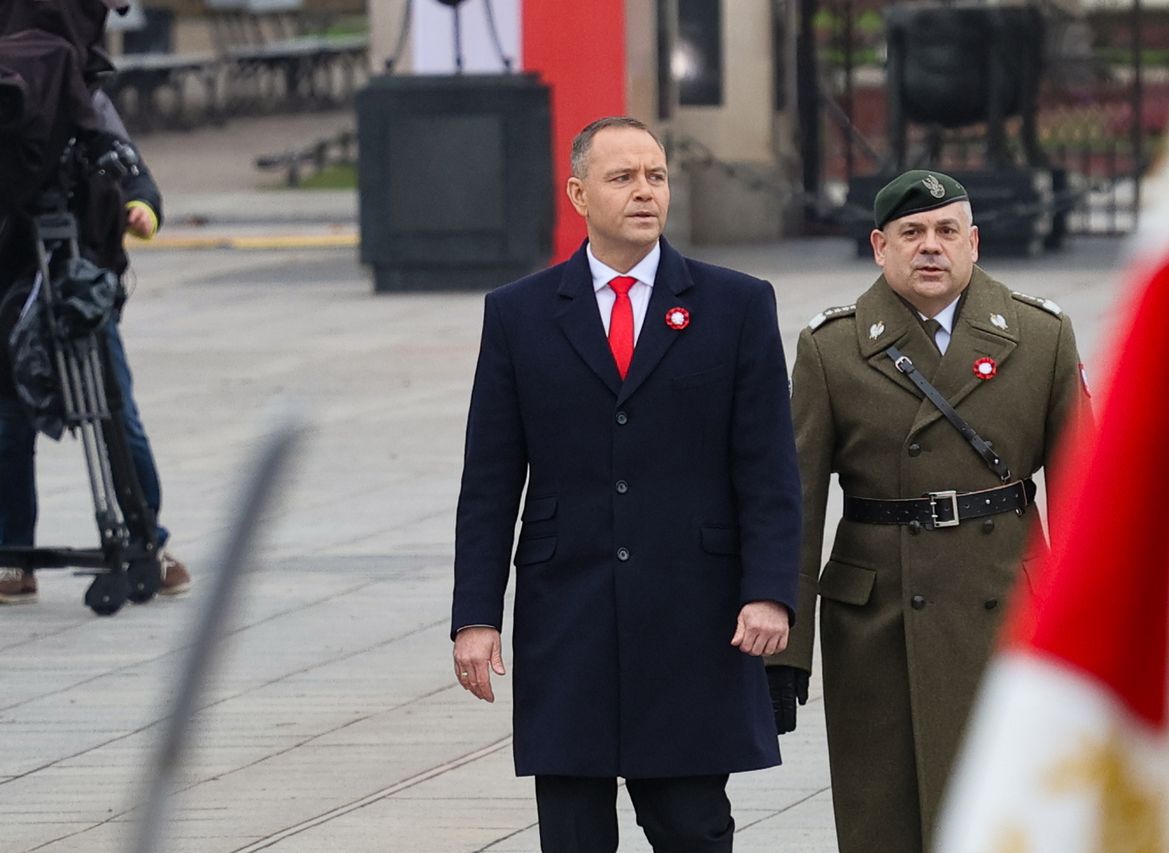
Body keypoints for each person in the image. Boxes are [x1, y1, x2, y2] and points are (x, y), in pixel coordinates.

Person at [451, 115, 802, 853]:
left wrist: (769, 588)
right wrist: (475, 616)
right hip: (567, 614)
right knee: (573, 833)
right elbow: (489, 479)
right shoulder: (519, 314)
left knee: (693, 827)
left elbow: (768, 468)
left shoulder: (735, 304)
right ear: (578, 193)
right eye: (622, 178)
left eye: (656, 176)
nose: (645, 192)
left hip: (692, 614)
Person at [766, 170, 1093, 852]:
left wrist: (1092, 638)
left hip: (1008, 605)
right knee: (885, 815)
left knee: (1011, 813)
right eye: (912, 233)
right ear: (880, 245)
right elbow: (794, 501)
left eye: (947, 231)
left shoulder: (1042, 338)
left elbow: (1083, 498)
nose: (931, 247)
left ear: (973, 242)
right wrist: (785, 650)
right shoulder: (830, 350)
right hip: (881, 622)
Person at [0, 28, 190, 603]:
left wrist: (141, 208)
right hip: (10, 280)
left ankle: (145, 543)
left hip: (77, 278)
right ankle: (12, 555)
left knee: (114, 411)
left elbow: (131, 171)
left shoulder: (82, 93)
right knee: (9, 423)